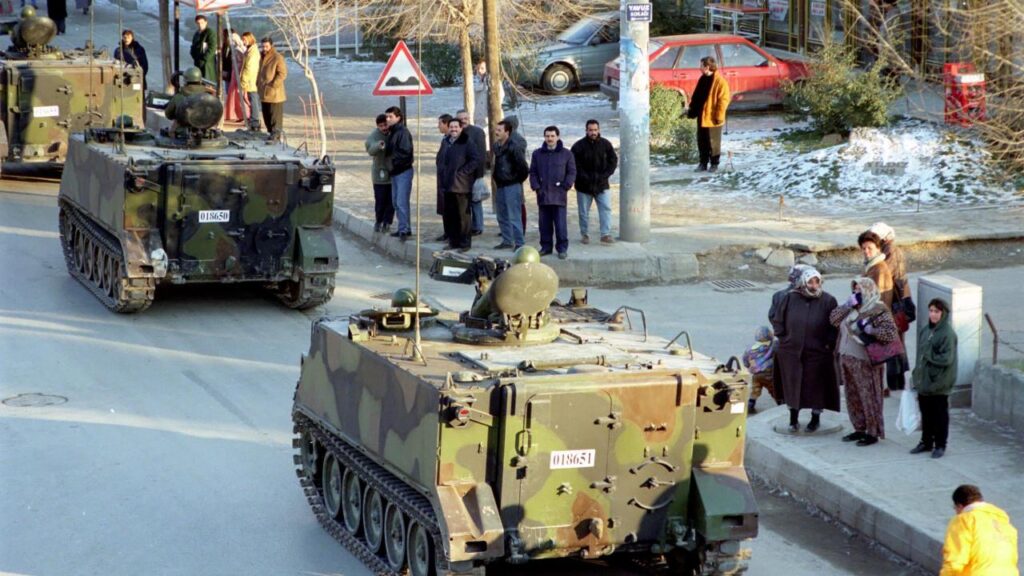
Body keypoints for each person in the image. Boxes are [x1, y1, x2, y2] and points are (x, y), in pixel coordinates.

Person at [830, 277, 899, 446]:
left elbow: (890, 333)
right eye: (854, 290)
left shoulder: (878, 309)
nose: (856, 293)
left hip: (865, 361)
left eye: (860, 290)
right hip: (847, 358)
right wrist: (847, 305)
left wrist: (872, 330)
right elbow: (833, 319)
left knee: (868, 396)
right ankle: (859, 428)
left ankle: (872, 432)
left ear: (868, 290)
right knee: (852, 395)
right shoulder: (852, 307)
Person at [771, 267, 839, 433]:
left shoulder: (828, 300)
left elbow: (834, 326)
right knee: (793, 387)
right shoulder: (790, 298)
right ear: (803, 282)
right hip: (792, 353)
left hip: (817, 353)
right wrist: (784, 339)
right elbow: (778, 319)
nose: (814, 285)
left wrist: (828, 344)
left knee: (816, 388)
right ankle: (793, 419)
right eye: (810, 281)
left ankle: (815, 419)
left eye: (817, 281)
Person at [911, 298, 958, 459]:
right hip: (924, 381)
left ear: (943, 313)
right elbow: (920, 356)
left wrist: (928, 354)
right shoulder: (926, 331)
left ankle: (940, 445)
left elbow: (947, 359)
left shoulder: (947, 333)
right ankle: (926, 441)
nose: (933, 314)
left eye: (936, 311)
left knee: (940, 415)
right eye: (931, 311)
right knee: (926, 413)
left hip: (940, 383)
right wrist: (916, 374)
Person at [870, 221, 912, 391]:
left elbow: (883, 275)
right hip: (895, 303)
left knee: (893, 346)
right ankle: (895, 384)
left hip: (895, 305)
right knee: (894, 345)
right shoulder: (889, 251)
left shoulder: (891, 253)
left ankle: (895, 385)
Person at [941, 485, 1019, 576]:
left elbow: (955, 559)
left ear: (959, 506)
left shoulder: (963, 520)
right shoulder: (1003, 522)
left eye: (955, 508)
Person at [529, 125, 576, 260]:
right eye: (547, 136)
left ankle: (562, 248)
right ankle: (546, 247)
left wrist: (566, 185)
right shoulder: (537, 154)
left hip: (559, 195)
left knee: (560, 224)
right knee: (544, 224)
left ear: (558, 137)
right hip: (543, 195)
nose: (550, 138)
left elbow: (572, 172)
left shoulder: (567, 154)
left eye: (552, 136)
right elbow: (533, 172)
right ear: (544, 137)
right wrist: (536, 187)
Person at [571, 119, 618, 245]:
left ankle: (605, 234)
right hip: (583, 185)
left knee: (606, 209)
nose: (593, 132)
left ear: (599, 130)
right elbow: (573, 165)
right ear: (586, 130)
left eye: (595, 130)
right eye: (590, 130)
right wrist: (583, 177)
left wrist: (606, 175)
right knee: (583, 212)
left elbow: (613, 161)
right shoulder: (578, 146)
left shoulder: (606, 144)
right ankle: (584, 235)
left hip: (602, 184)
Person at [438, 118, 482, 252]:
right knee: (451, 215)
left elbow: (475, 160)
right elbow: (440, 159)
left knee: (463, 216)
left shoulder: (467, 142)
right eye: (451, 127)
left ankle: (464, 244)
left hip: (461, 185)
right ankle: (453, 242)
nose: (453, 129)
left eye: (456, 127)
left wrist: (462, 173)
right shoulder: (446, 142)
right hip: (447, 185)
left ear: (461, 128)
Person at [686, 56, 730, 172]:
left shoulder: (720, 82)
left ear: (707, 67)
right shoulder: (702, 79)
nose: (699, 68)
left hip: (713, 118)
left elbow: (723, 101)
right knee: (702, 141)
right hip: (702, 116)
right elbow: (696, 97)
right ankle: (703, 163)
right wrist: (692, 111)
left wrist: (719, 117)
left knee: (713, 143)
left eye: (701, 65)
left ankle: (714, 164)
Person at [492, 118, 529, 250]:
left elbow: (524, 168)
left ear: (507, 132)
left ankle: (519, 243)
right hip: (500, 185)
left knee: (514, 216)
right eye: (496, 130)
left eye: (499, 130)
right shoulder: (497, 146)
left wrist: (515, 180)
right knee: (501, 215)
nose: (496, 132)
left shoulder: (514, 146)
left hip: (512, 185)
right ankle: (507, 240)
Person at [455, 109, 486, 235]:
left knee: (476, 201)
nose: (463, 121)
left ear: (469, 118)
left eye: (465, 118)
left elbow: (481, 155)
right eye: (461, 119)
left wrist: (479, 175)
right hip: (461, 176)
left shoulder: (477, 132)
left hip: (474, 174)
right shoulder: (456, 132)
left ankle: (478, 226)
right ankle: (469, 226)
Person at [384, 106, 413, 240]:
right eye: (387, 116)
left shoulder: (402, 132)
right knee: (396, 201)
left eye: (391, 116)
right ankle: (403, 227)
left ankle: (404, 229)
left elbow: (406, 152)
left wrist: (392, 160)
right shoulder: (393, 131)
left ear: (398, 117)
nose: (388, 119)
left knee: (401, 202)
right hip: (395, 171)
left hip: (403, 171)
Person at [365, 114, 393, 234]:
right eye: (381, 126)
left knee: (391, 201)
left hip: (392, 172)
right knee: (380, 199)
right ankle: (379, 221)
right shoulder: (373, 136)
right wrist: (379, 145)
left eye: (385, 125)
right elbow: (370, 150)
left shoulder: (394, 133)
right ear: (378, 126)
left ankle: (387, 222)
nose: (384, 128)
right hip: (379, 174)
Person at [257, 37, 287, 143]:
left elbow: (282, 73)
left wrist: (274, 84)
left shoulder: (277, 57)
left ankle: (276, 135)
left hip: (275, 93)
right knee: (266, 114)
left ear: (271, 45)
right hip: (263, 90)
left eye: (266, 46)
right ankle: (271, 133)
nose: (264, 48)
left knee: (275, 116)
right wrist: (258, 83)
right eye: (263, 46)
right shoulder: (261, 56)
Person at [741, 326, 777, 414]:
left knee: (755, 389)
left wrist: (748, 365)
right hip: (768, 374)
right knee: (774, 389)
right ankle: (780, 403)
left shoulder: (751, 348)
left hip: (756, 374)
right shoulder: (772, 346)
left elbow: (745, 359)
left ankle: (751, 404)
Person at [433, 113, 453, 241]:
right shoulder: (445, 140)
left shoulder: (452, 141)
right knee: (444, 208)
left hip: (450, 180)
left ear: (446, 124)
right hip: (442, 179)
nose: (438, 126)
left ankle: (452, 234)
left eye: (440, 123)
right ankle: (447, 232)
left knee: (451, 209)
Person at [239, 32, 260, 131]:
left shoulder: (253, 52)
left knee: (253, 100)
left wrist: (243, 82)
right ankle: (253, 121)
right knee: (251, 101)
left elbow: (249, 68)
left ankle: (255, 122)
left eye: (244, 39)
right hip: (249, 81)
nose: (243, 41)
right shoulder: (250, 50)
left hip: (250, 81)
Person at [190, 15, 218, 84]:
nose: (200, 25)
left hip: (207, 64)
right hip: (197, 63)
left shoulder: (210, 32)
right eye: (198, 23)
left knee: (208, 82)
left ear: (206, 22)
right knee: (199, 82)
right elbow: (193, 46)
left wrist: (205, 58)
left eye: (202, 23)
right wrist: (194, 55)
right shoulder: (196, 34)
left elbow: (212, 47)